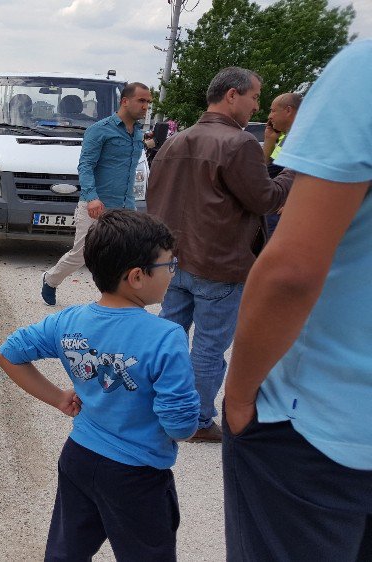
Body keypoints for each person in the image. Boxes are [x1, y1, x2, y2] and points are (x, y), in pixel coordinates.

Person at [222, 41, 372, 562]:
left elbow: (289, 269)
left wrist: (238, 398)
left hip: (326, 426)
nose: (263, 110)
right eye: (259, 98)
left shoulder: (361, 72)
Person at [0, 210, 198, 561]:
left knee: (66, 553)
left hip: (79, 458)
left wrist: (59, 397)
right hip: (137, 475)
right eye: (169, 265)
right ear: (137, 276)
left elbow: (7, 354)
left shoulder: (69, 320)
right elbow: (179, 426)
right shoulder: (166, 337)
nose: (173, 272)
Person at [146, 67, 294, 442]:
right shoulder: (238, 143)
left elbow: (156, 198)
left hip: (173, 260)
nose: (257, 105)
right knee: (208, 349)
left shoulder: (176, 141)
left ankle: (156, 404)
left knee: (169, 336)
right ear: (232, 95)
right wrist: (294, 173)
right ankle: (195, 420)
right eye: (255, 97)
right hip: (220, 263)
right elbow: (265, 197)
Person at [41, 82, 152, 306]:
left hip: (125, 207)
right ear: (125, 101)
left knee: (127, 254)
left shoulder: (137, 133)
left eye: (148, 102)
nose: (145, 107)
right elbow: (86, 166)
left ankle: (118, 300)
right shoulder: (100, 129)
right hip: (95, 205)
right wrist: (91, 197)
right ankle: (50, 279)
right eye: (141, 101)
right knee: (81, 254)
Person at [261, 92, 303, 236]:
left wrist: (295, 200)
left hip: (282, 211)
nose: (269, 116)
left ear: (288, 110)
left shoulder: (305, 137)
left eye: (273, 110)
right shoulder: (286, 138)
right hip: (274, 202)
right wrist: (269, 139)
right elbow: (267, 170)